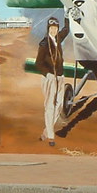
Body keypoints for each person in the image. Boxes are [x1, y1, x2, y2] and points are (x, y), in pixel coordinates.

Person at [34, 16, 69, 147]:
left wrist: (67, 16)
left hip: (60, 76)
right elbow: (38, 63)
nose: (54, 31)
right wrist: (47, 73)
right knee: (50, 106)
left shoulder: (58, 38)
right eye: (52, 28)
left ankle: (46, 131)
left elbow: (67, 29)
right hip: (49, 78)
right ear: (48, 29)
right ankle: (51, 136)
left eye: (55, 28)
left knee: (59, 105)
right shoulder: (44, 44)